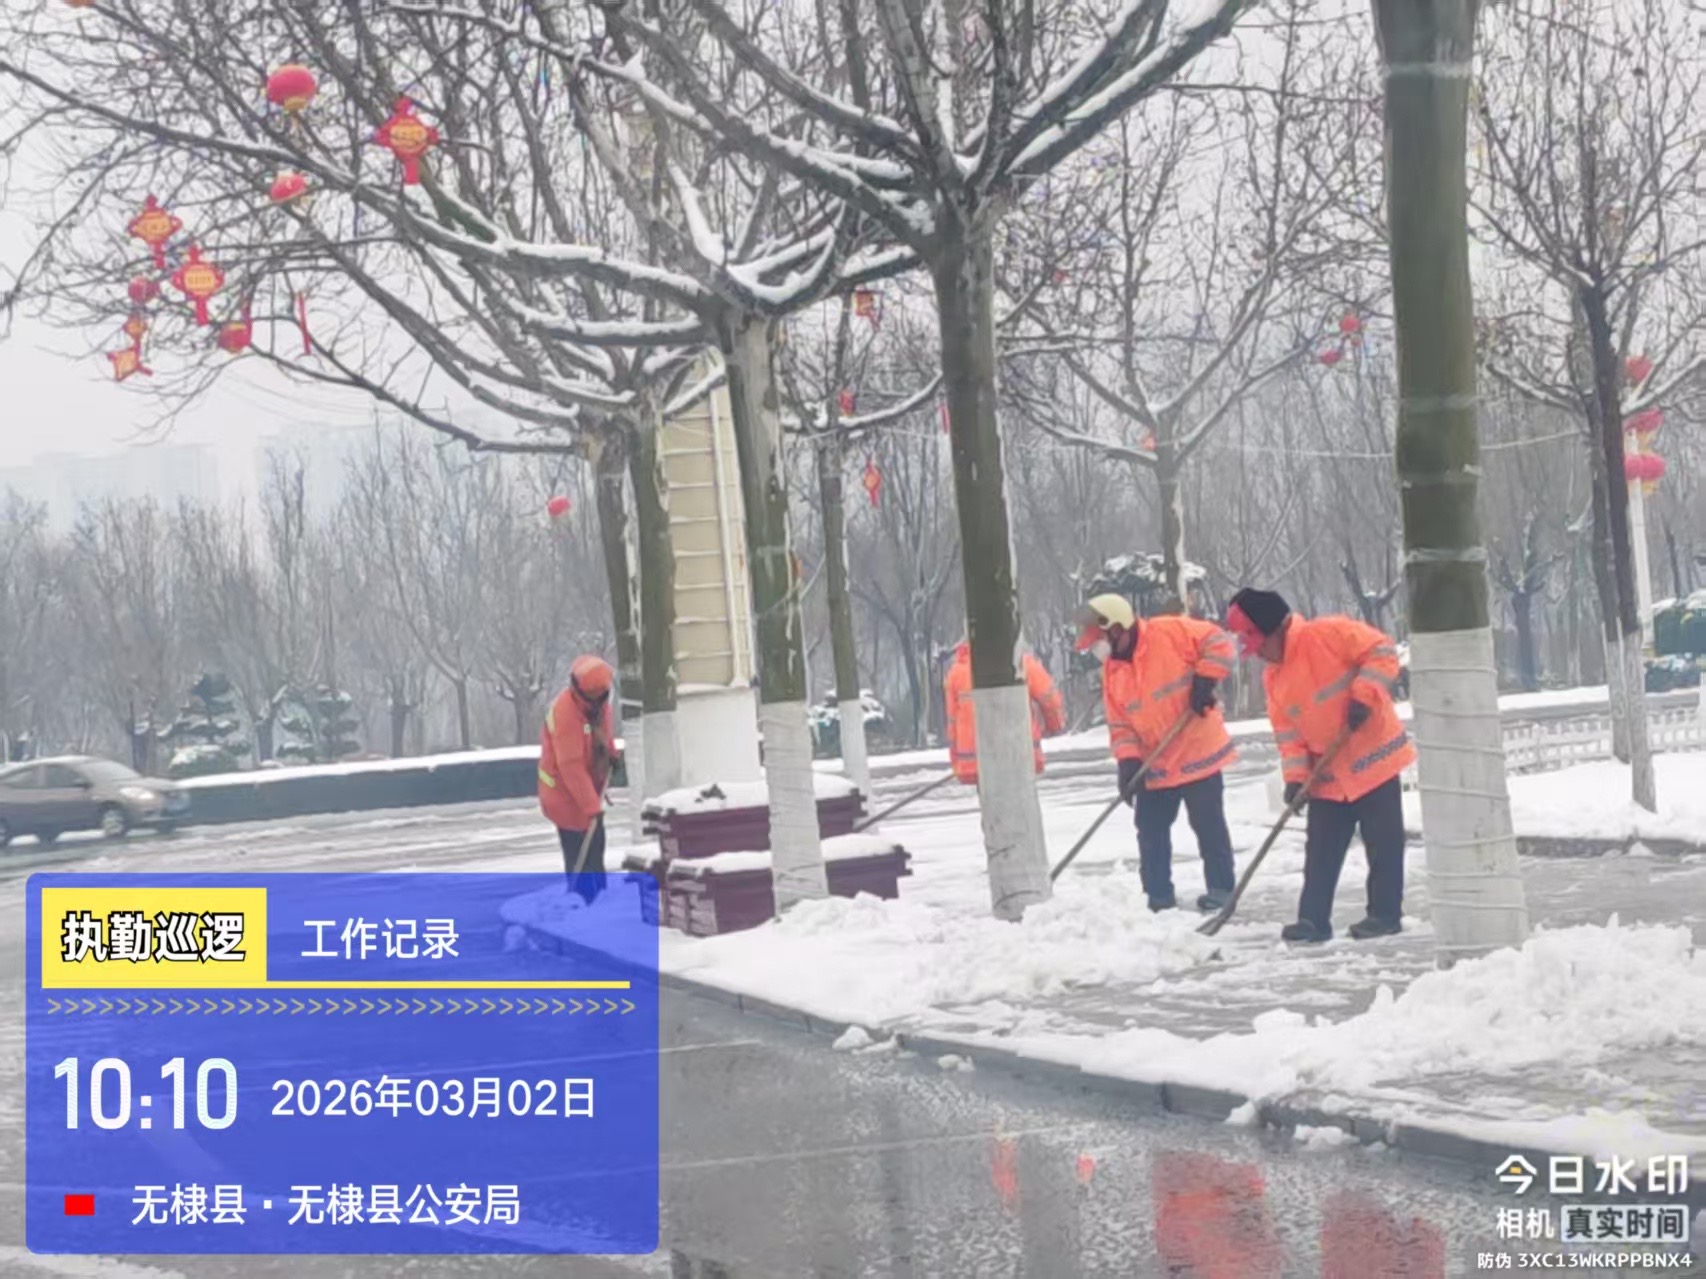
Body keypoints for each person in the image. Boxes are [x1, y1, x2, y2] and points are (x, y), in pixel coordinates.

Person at [1225, 587, 1415, 943]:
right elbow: (1288, 735)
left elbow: (1382, 651)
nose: (1258, 655)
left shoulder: (1329, 634)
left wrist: (1364, 695)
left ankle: (1384, 915)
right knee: (1320, 851)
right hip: (1327, 775)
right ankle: (1312, 921)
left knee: (1384, 844)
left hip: (1373, 760)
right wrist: (1296, 779)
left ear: (1276, 629)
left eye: (1259, 644)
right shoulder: (1274, 678)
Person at [1076, 593, 1239, 913]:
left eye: (1098, 639)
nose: (1097, 648)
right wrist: (1127, 761)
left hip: (1197, 750)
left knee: (1208, 825)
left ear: (1118, 629)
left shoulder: (1170, 632)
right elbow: (1120, 724)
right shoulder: (1112, 671)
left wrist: (1205, 678)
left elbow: (1221, 642)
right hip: (1155, 762)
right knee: (1149, 828)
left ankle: (1222, 890)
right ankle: (1157, 896)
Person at [538, 655, 620, 903]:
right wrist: (591, 807)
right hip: (563, 797)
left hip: (586, 793)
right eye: (594, 695)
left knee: (596, 845)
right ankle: (581, 902)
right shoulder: (565, 713)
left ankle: (599, 898)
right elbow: (571, 767)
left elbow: (603, 735)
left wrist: (611, 754)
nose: (599, 699)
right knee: (581, 856)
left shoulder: (598, 708)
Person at [943, 638, 1066, 786]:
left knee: (991, 797)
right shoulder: (1022, 664)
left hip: (975, 760)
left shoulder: (957, 673)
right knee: (1020, 796)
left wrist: (958, 764)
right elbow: (1050, 699)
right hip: (1020, 754)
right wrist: (1055, 725)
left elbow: (952, 723)